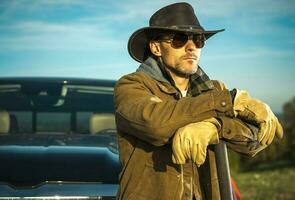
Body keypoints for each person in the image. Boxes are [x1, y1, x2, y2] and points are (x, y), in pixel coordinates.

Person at [114, 2, 283, 200]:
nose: (191, 46)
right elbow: (155, 123)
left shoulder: (213, 89)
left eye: (198, 39)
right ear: (156, 48)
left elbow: (254, 140)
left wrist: (215, 128)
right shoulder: (131, 86)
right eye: (179, 39)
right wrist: (227, 101)